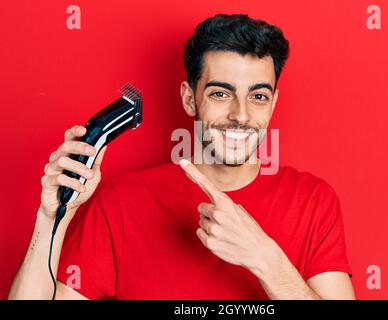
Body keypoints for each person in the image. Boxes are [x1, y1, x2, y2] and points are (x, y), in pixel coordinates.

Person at [8, 14, 354, 300]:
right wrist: (51, 216)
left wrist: (266, 259)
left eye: (258, 97)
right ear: (189, 99)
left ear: (274, 103)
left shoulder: (313, 201)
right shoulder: (120, 203)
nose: (241, 115)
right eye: (221, 93)